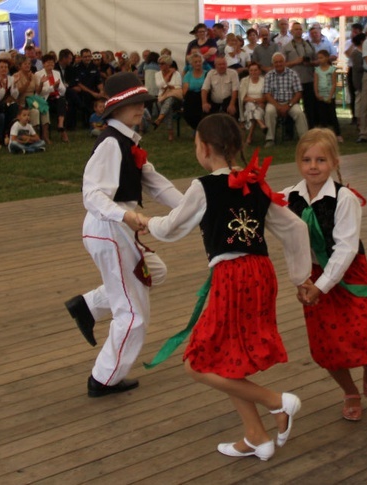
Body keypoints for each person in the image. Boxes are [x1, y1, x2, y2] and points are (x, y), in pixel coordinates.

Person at [140, 113, 311, 460]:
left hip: (233, 278)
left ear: (203, 148)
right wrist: (301, 277)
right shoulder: (257, 185)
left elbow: (172, 227)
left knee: (198, 363)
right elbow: (295, 229)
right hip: (261, 275)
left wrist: (143, 221)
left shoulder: (204, 186)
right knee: (229, 357)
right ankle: (256, 436)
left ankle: (277, 403)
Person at [283, 128, 367, 421]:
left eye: (321, 159)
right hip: (314, 273)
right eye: (306, 159)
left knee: (361, 331)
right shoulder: (290, 197)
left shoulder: (345, 199)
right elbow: (281, 229)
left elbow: (345, 248)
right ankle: (349, 391)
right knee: (325, 342)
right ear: (298, 162)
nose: (313, 166)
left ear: (334, 162)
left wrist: (323, 285)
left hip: (347, 273)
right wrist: (302, 280)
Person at [70, 72, 183, 397]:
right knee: (132, 314)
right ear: (116, 108)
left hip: (118, 228)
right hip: (109, 229)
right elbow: (92, 196)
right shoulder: (110, 144)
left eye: (143, 103)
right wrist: (127, 215)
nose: (140, 109)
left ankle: (88, 306)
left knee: (155, 272)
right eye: (133, 104)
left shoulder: (128, 143)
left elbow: (157, 184)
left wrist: (197, 208)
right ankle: (103, 379)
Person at [262, 52, 308, 148]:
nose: (278, 64)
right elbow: (267, 94)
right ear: (273, 64)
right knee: (269, 111)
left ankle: (305, 139)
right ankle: (270, 139)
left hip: (290, 102)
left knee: (299, 113)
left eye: (280, 62)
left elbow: (299, 92)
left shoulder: (293, 74)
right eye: (276, 62)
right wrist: (278, 106)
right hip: (274, 103)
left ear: (285, 62)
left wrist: (288, 105)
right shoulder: (269, 75)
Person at [282, 22, 316, 129]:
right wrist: (295, 62)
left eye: (300, 29)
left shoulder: (309, 45)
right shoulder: (286, 47)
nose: (298, 31)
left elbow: (316, 61)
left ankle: (311, 128)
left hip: (308, 79)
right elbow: (282, 65)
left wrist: (309, 63)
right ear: (291, 31)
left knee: (310, 107)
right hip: (293, 81)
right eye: (296, 29)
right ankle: (289, 131)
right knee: (291, 106)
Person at [35, 53, 68, 142]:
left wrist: (58, 87)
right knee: (60, 102)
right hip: (45, 99)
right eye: (48, 63)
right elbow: (40, 91)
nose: (50, 65)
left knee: (61, 100)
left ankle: (61, 125)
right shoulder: (38, 74)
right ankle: (61, 131)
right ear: (43, 64)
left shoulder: (56, 73)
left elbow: (63, 90)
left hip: (56, 97)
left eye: (52, 63)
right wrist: (52, 87)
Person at [314, 49, 342, 142]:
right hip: (321, 96)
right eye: (318, 58)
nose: (319, 60)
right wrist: (317, 94)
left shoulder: (332, 69)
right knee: (322, 116)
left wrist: (330, 95)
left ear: (326, 58)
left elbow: (334, 83)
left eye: (321, 57)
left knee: (332, 115)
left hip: (330, 96)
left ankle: (338, 134)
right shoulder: (317, 70)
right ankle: (324, 135)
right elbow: (315, 83)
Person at [238, 62, 266, 145]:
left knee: (252, 111)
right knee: (251, 107)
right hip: (248, 104)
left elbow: (265, 97)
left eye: (255, 70)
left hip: (261, 105)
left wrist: (258, 101)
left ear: (259, 71)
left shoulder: (264, 81)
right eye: (251, 70)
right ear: (249, 71)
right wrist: (255, 101)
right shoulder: (244, 81)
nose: (253, 72)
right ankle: (261, 124)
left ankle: (249, 137)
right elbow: (243, 97)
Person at [181, 52, 208, 131]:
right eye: (196, 62)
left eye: (199, 61)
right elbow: (185, 91)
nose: (198, 63)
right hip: (191, 97)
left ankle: (200, 128)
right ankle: (196, 127)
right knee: (190, 98)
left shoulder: (207, 74)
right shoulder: (188, 75)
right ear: (191, 64)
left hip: (204, 97)